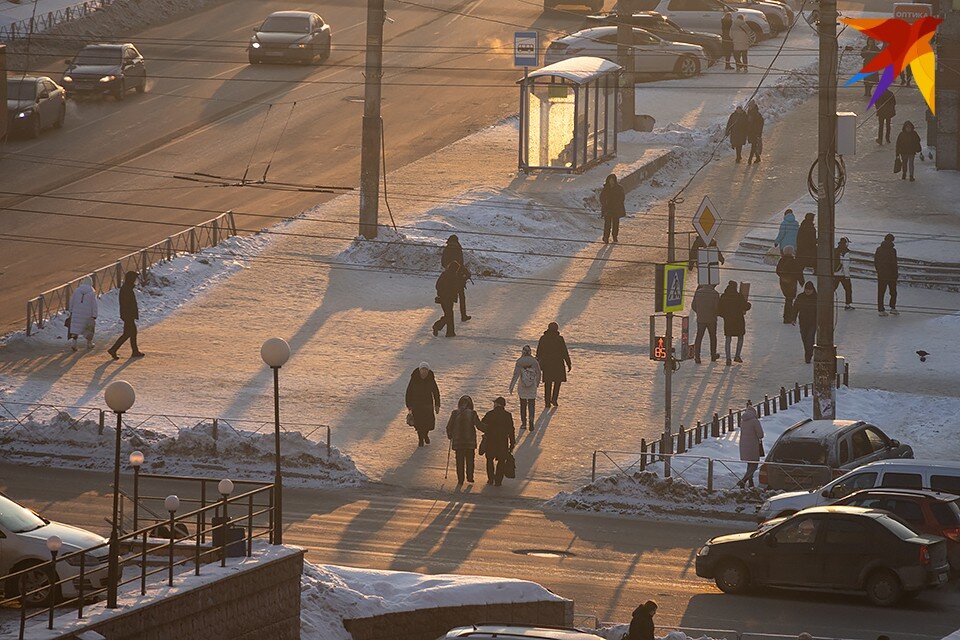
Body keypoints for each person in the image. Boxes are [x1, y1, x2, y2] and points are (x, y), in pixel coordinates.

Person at [478, 397, 516, 486]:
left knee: (489, 460)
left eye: (494, 403)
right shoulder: (507, 415)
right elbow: (511, 430)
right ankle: (498, 481)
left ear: (497, 404)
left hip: (490, 441)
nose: (493, 404)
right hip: (503, 442)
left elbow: (482, 425)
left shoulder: (490, 414)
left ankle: (490, 479)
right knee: (501, 461)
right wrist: (512, 442)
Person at [108, 271, 144, 360]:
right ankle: (114, 349)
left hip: (128, 315)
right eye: (134, 279)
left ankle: (134, 351)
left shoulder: (127, 288)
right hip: (128, 315)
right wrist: (132, 315)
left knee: (131, 333)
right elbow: (128, 304)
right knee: (128, 334)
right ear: (131, 279)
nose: (136, 281)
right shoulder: (127, 289)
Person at [446, 395, 481, 485]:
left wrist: (450, 435)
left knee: (459, 461)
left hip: (458, 442)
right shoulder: (473, 413)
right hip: (470, 442)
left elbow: (449, 426)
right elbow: (479, 425)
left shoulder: (455, 413)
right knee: (470, 460)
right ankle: (470, 477)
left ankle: (460, 479)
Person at [536, 322, 571, 408]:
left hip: (547, 364)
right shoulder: (559, 339)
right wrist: (568, 363)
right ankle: (554, 399)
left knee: (548, 383)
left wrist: (537, 363)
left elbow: (539, 352)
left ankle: (547, 402)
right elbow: (564, 352)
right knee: (557, 382)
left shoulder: (543, 338)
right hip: (558, 364)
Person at [405, 362, 441, 447]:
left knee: (428, 424)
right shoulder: (414, 379)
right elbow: (408, 393)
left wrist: (437, 405)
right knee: (419, 424)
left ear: (428, 371)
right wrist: (409, 406)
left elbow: (436, 392)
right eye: (422, 370)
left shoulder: (431, 379)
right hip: (416, 406)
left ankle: (425, 435)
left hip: (428, 405)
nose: (424, 372)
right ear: (420, 370)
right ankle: (421, 439)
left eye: (426, 370)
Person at [508, 345, 542, 431]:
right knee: (531, 404)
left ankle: (523, 423)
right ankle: (531, 420)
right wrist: (537, 383)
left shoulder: (520, 361)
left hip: (522, 386)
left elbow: (515, 375)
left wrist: (511, 386)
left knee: (523, 404)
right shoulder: (534, 361)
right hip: (532, 385)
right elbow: (538, 373)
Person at [718, 280, 751, 365]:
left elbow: (719, 310)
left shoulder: (724, 296)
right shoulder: (739, 296)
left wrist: (725, 316)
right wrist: (749, 305)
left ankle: (728, 358)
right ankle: (737, 356)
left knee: (728, 338)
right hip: (738, 321)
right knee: (740, 337)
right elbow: (745, 306)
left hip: (728, 321)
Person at [442, 235, 472, 322]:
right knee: (461, 296)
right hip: (457, 277)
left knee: (451, 298)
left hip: (450, 276)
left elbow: (443, 262)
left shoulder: (447, 249)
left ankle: (448, 318)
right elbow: (460, 262)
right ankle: (462, 315)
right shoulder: (457, 249)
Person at [736, 401, 763, 488]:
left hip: (744, 446)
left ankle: (751, 483)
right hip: (753, 446)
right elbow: (760, 435)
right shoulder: (755, 421)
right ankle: (743, 481)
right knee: (754, 465)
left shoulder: (743, 421)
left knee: (749, 465)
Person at [67, 277, 98, 352]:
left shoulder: (77, 291)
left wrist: (71, 310)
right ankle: (89, 343)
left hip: (76, 313)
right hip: (87, 314)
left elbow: (72, 301)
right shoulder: (92, 292)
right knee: (88, 329)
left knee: (76, 329)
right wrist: (94, 315)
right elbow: (94, 305)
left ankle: (74, 343)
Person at [691, 283, 720, 364]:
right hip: (712, 319)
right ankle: (713, 355)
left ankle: (697, 356)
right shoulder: (715, 294)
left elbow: (693, 305)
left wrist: (699, 312)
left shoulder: (698, 292)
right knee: (713, 337)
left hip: (701, 319)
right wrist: (714, 313)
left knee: (699, 337)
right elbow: (717, 307)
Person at [775, 246, 805, 324]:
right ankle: (788, 317)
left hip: (783, 282)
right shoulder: (794, 261)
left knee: (788, 299)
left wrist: (783, 277)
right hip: (792, 283)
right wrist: (802, 281)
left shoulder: (781, 260)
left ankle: (788, 316)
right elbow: (799, 272)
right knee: (789, 299)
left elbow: (777, 271)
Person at [432, 261, 461, 337]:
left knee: (448, 314)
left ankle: (450, 332)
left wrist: (440, 293)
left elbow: (438, 285)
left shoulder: (444, 274)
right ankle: (438, 326)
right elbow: (456, 288)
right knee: (449, 315)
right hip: (449, 298)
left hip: (443, 297)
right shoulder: (454, 276)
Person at [874, 233, 899, 317]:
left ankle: (881, 309)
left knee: (881, 292)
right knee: (893, 292)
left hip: (881, 274)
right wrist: (896, 274)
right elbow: (894, 263)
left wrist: (879, 271)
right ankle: (892, 308)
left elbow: (876, 262)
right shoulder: (892, 250)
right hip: (891, 275)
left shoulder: (879, 249)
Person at [794, 281, 818, 363]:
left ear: (812, 290)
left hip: (813, 322)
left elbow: (821, 311)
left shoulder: (817, 298)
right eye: (806, 289)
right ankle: (808, 352)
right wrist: (793, 318)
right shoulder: (800, 297)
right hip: (803, 321)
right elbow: (795, 308)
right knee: (804, 339)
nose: (807, 291)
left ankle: (808, 355)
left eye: (809, 290)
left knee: (809, 339)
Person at [599, 173, 626, 244]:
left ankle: (614, 236)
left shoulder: (619, 188)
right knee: (607, 224)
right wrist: (605, 204)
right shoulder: (606, 188)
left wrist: (617, 204)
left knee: (615, 224)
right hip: (608, 209)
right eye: (610, 180)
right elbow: (602, 198)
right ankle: (606, 237)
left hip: (616, 209)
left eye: (612, 180)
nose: (611, 182)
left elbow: (622, 198)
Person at [833, 236, 854, 310]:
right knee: (848, 289)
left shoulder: (836, 250)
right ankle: (848, 305)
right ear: (846, 244)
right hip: (842, 274)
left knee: (832, 289)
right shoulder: (846, 253)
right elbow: (845, 266)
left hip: (835, 273)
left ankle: (827, 301)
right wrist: (847, 276)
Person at [746, 100, 763, 164]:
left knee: (753, 145)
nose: (749, 107)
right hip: (750, 132)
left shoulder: (757, 114)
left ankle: (749, 159)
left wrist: (758, 133)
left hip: (755, 133)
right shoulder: (749, 112)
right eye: (749, 105)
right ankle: (758, 158)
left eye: (750, 106)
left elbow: (760, 124)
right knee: (754, 145)